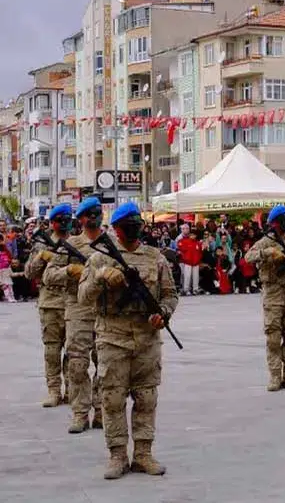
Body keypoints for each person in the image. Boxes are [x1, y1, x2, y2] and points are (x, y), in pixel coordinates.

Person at [78, 201, 179, 480]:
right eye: (127, 226)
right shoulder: (100, 257)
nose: (133, 230)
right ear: (117, 230)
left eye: (137, 224)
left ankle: (143, 454)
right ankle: (118, 455)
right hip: (113, 338)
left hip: (147, 339)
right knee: (112, 399)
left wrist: (164, 314)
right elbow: (83, 297)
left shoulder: (154, 257)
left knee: (147, 397)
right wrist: (100, 278)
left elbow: (170, 294)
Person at [44, 197, 104, 432]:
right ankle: (80, 412)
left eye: (97, 213)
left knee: (105, 364)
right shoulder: (71, 245)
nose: (93, 218)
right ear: (80, 219)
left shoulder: (110, 243)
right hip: (78, 308)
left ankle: (101, 410)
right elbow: (49, 276)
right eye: (88, 215)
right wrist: (69, 270)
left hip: (104, 309)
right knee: (77, 363)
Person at [244, 205, 285, 392]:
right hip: (273, 294)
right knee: (273, 337)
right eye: (282, 219)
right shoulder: (266, 242)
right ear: (274, 223)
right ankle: (274, 375)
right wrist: (267, 253)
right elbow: (248, 257)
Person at [28, 203, 75, 407]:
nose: (63, 224)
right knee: (52, 350)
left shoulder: (77, 243)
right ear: (53, 223)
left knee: (74, 351)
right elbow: (30, 272)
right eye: (60, 221)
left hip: (73, 302)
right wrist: (42, 257)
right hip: (51, 303)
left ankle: (71, 390)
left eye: (67, 220)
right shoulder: (41, 244)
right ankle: (54, 390)